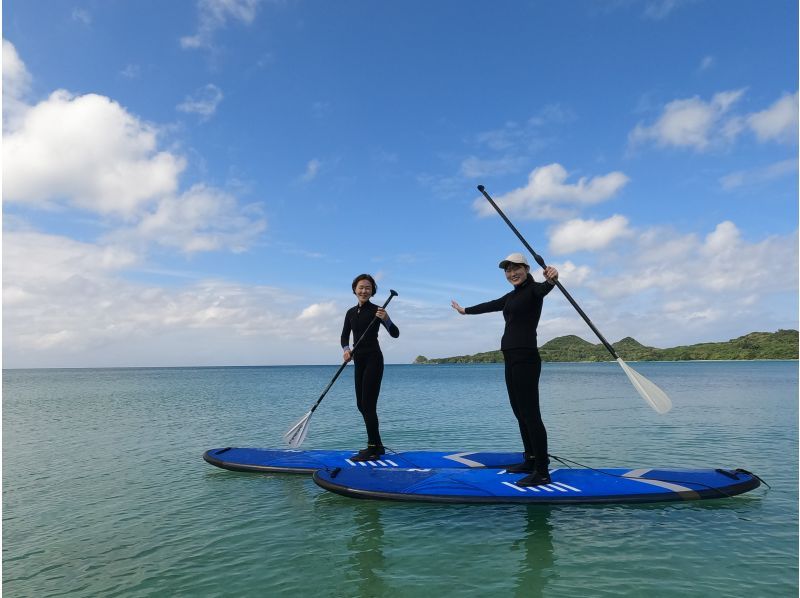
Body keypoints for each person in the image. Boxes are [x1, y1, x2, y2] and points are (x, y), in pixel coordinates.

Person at [451, 253, 558, 487]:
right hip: (510, 357)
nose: (512, 273)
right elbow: (490, 305)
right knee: (519, 412)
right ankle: (529, 460)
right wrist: (465, 310)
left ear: (527, 269)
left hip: (526, 357)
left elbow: (546, 288)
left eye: (516, 268)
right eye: (508, 270)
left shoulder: (534, 290)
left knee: (531, 414)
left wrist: (552, 278)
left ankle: (542, 471)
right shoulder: (512, 296)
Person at [341, 274, 400, 461]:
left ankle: (372, 448)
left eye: (368, 287)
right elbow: (344, 336)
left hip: (374, 360)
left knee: (368, 405)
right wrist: (346, 350)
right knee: (361, 404)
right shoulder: (350, 313)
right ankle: (378, 445)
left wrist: (387, 319)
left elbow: (395, 334)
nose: (364, 290)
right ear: (354, 289)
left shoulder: (378, 311)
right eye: (361, 287)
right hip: (359, 361)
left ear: (373, 291)